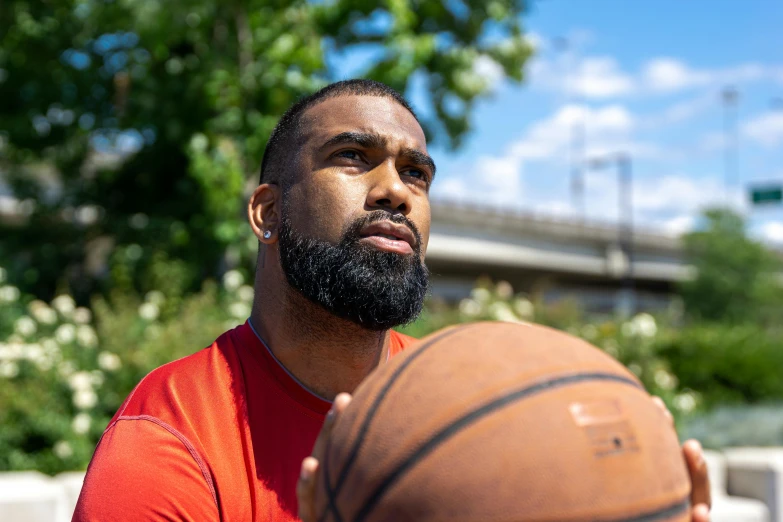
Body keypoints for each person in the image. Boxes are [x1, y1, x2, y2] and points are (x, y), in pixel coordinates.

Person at [73, 79, 711, 522]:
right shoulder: (166, 445)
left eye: (416, 173)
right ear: (269, 212)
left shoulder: (458, 400)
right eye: (353, 156)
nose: (395, 191)